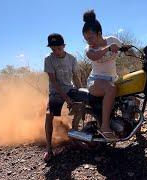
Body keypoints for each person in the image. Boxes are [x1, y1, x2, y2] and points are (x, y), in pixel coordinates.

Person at [82, 10, 130, 141]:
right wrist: (108, 48)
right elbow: (94, 56)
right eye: (86, 39)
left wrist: (136, 53)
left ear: (99, 33)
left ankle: (130, 122)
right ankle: (104, 127)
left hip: (112, 79)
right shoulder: (89, 49)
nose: (88, 41)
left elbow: (126, 49)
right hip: (95, 81)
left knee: (132, 90)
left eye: (90, 37)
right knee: (111, 88)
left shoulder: (112, 40)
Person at [43, 33, 81, 162]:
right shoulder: (48, 60)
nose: (56, 51)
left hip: (69, 89)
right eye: (53, 49)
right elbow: (54, 82)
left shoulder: (72, 59)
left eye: (59, 48)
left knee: (81, 107)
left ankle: (76, 136)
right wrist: (66, 99)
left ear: (64, 46)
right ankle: (49, 149)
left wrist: (81, 92)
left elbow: (75, 77)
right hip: (56, 92)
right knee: (50, 115)